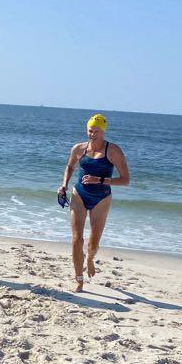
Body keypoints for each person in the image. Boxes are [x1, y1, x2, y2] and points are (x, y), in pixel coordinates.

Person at [58, 113, 131, 292]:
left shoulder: (113, 151)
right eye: (90, 131)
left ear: (103, 132)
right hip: (79, 194)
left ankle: (90, 259)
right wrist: (64, 185)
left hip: (102, 199)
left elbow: (125, 180)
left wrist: (99, 180)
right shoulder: (79, 149)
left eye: (96, 131)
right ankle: (79, 280)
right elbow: (70, 166)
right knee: (77, 239)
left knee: (92, 245)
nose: (93, 134)